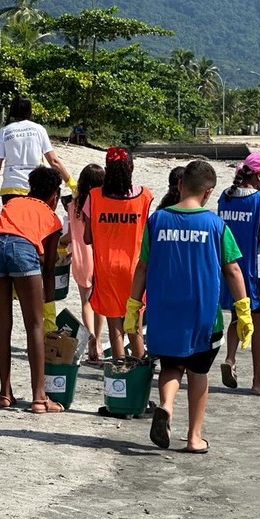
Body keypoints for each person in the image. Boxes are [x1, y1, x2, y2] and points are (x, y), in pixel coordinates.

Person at [126, 160, 251, 454]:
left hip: (163, 310)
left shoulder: (156, 221)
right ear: (209, 193)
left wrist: (133, 305)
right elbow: (232, 270)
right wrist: (242, 310)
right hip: (203, 313)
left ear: (180, 185)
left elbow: (142, 267)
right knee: (198, 372)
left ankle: (166, 407)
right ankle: (194, 438)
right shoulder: (216, 225)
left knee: (170, 365)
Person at [0, 166, 65, 414]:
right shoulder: (52, 218)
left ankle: (5, 393)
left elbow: (4, 229)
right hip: (22, 250)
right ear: (54, 196)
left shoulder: (14, 202)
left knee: (3, 322)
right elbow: (49, 271)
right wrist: (48, 305)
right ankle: (39, 398)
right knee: (35, 325)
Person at [217, 152, 260, 395]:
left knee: (238, 314)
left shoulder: (224, 197)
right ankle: (257, 381)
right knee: (257, 322)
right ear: (258, 176)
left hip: (228, 268)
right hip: (255, 270)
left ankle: (230, 358)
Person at [85, 146, 152, 360]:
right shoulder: (144, 197)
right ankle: (140, 366)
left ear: (107, 169)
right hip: (134, 267)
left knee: (114, 321)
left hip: (106, 267)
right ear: (131, 168)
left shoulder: (94, 196)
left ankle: (120, 365)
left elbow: (87, 237)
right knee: (135, 322)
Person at [0, 96, 74, 218]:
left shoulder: (4, 131)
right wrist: (72, 184)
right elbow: (53, 161)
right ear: (30, 111)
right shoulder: (39, 129)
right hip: (36, 189)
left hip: (10, 190)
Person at [64, 163, 104, 363]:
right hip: (100, 257)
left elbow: (70, 235)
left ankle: (92, 340)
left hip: (80, 258)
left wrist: (56, 245)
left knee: (86, 302)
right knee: (100, 304)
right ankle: (97, 340)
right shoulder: (101, 204)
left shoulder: (73, 206)